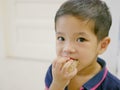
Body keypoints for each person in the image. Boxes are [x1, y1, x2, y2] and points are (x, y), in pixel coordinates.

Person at [45, 0, 120, 90]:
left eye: (81, 39)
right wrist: (58, 84)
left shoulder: (113, 86)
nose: (67, 49)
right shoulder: (55, 71)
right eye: (61, 38)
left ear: (102, 45)